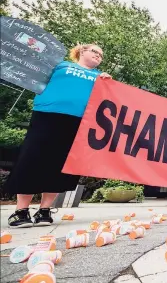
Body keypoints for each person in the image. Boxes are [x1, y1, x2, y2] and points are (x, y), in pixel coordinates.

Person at [5, 44, 112, 228]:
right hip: (47, 115)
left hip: (79, 121)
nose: (98, 56)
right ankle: (21, 211)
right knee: (31, 158)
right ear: (81, 52)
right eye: (94, 51)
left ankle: (45, 210)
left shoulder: (100, 77)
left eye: (101, 55)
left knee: (61, 164)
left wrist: (107, 82)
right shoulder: (60, 66)